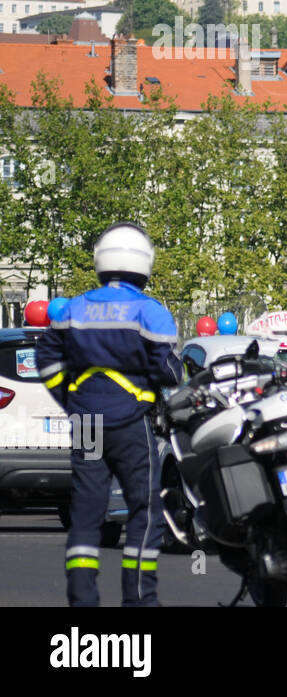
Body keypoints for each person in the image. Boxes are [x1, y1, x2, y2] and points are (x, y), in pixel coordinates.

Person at [37, 223, 181, 607]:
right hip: (131, 422)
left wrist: (70, 399)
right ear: (144, 264)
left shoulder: (74, 308)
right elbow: (168, 370)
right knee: (144, 510)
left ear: (101, 261)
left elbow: (47, 359)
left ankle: (82, 602)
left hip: (86, 423)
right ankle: (138, 601)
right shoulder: (151, 312)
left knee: (86, 512)